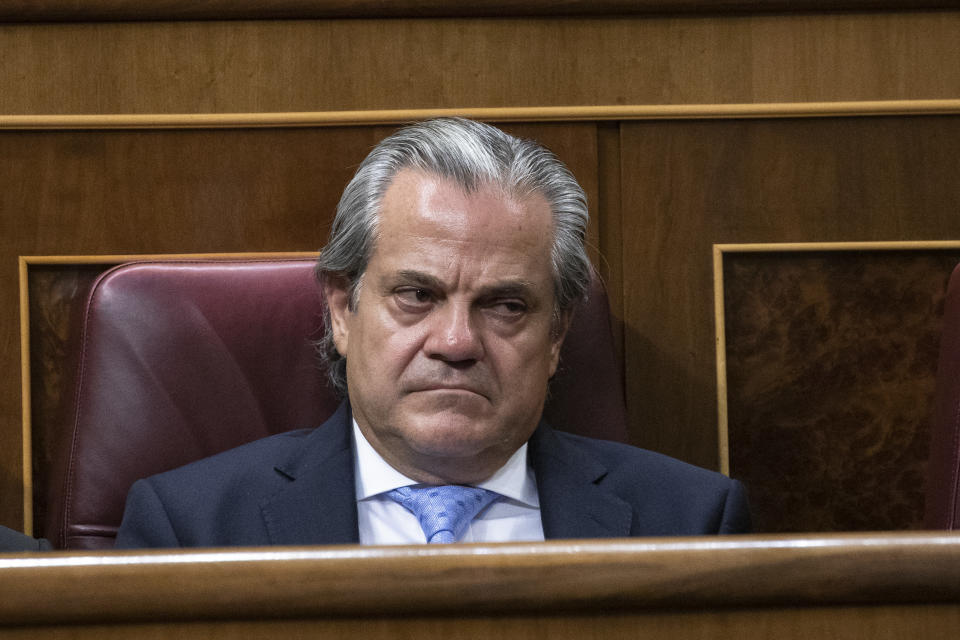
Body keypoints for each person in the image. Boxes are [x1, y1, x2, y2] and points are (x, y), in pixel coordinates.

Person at [115, 118, 749, 548]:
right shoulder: (193, 527)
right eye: (417, 296)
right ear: (342, 309)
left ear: (556, 336)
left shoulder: (692, 523)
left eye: (505, 306)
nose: (455, 342)